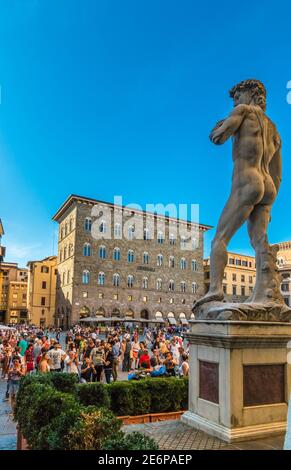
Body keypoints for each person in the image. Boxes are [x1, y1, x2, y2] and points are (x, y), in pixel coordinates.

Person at [194, 79, 283, 310]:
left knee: (219, 239)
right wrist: (269, 206)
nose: (235, 101)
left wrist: (220, 126)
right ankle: (266, 294)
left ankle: (214, 290)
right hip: (269, 186)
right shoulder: (274, 130)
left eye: (237, 96)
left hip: (247, 181)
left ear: (249, 95)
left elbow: (217, 138)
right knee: (260, 242)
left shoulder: (242, 111)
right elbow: (278, 174)